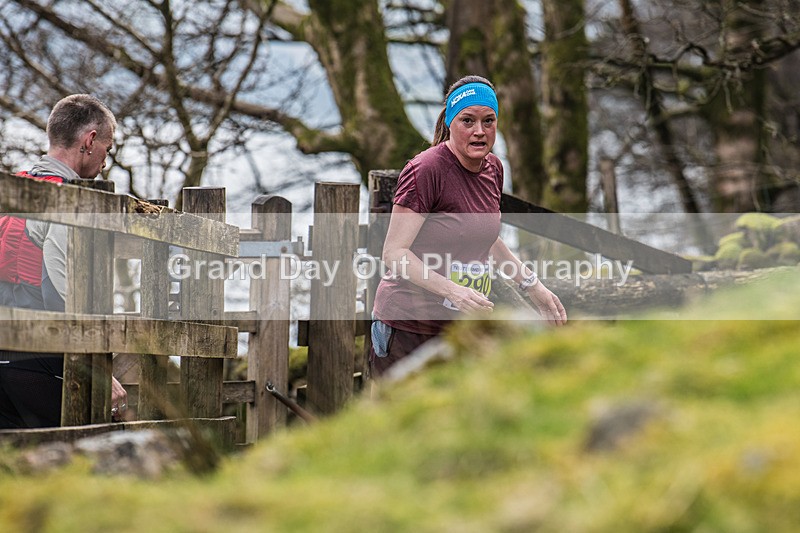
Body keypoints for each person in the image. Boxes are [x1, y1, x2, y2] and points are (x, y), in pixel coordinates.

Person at [369, 75, 567, 377]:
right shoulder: (425, 170)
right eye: (468, 120)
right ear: (450, 122)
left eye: (489, 121)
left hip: (459, 326)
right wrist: (452, 291)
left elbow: (485, 235)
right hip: (407, 325)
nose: (479, 131)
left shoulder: (493, 168)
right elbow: (394, 254)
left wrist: (532, 285)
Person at [0, 94, 127, 428]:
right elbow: (61, 291)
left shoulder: (12, 188)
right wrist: (97, 370)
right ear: (90, 140)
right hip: (43, 363)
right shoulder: (68, 199)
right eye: (108, 149)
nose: (105, 161)